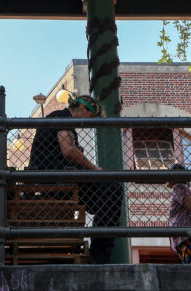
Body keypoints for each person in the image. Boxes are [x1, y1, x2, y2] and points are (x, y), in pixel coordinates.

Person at [27, 92, 123, 264]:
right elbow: (69, 151)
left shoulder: (60, 119)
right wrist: (94, 169)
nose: (89, 123)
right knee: (112, 188)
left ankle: (100, 249)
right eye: (90, 117)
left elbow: (67, 150)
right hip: (56, 177)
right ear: (84, 108)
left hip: (58, 177)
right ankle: (99, 255)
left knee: (105, 198)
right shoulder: (62, 116)